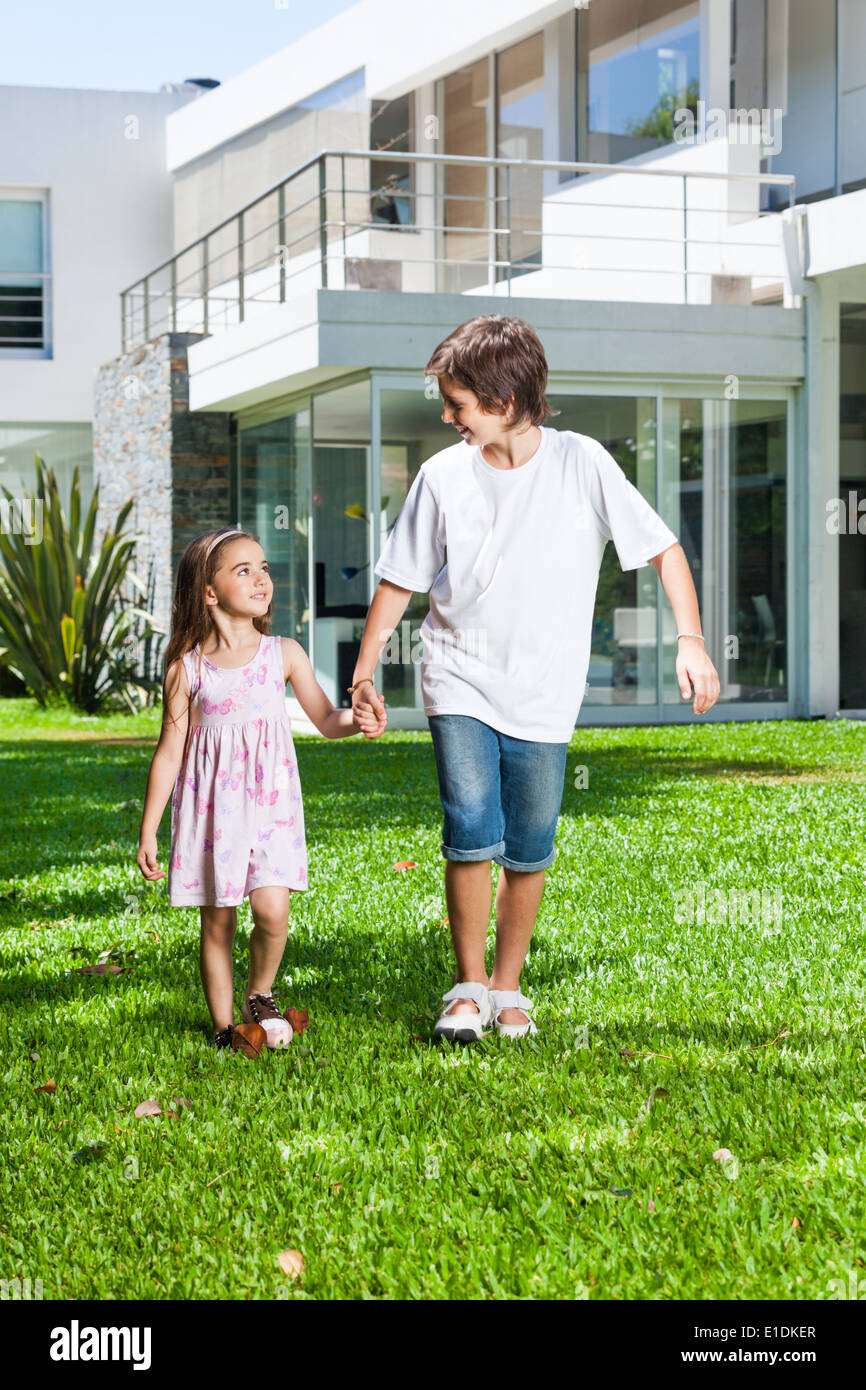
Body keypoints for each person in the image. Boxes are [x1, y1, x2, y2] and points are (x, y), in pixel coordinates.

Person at [349, 315, 720, 1042]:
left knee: (530, 841)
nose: (448, 416)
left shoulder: (582, 464)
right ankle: (466, 986)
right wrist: (364, 672)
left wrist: (692, 640)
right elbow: (399, 582)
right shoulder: (442, 475)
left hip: (546, 690)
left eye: (459, 403)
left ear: (506, 400)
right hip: (458, 674)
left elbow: (665, 551)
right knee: (469, 824)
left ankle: (508, 985)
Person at [137, 528, 380, 1049]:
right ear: (209, 591)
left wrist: (355, 718)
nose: (260, 578)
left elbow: (324, 719)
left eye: (264, 568)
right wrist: (149, 829)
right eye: (242, 570)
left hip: (271, 808)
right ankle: (226, 1027)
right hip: (213, 815)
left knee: (272, 910)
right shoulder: (187, 670)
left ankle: (260, 993)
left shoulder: (283, 653)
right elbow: (169, 752)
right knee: (218, 921)